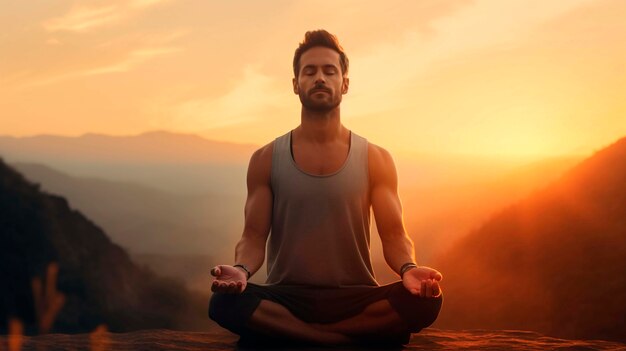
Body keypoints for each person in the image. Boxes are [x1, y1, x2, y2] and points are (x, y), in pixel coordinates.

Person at [208, 29, 443, 346]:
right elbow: (253, 236)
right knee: (223, 303)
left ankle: (303, 337)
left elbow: (394, 235)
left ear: (344, 83)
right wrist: (240, 271)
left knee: (426, 300)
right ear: (296, 85)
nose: (320, 78)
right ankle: (339, 340)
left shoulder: (376, 158)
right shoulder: (265, 158)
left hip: (355, 296)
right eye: (310, 71)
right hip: (286, 297)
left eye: (329, 71)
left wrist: (409, 269)